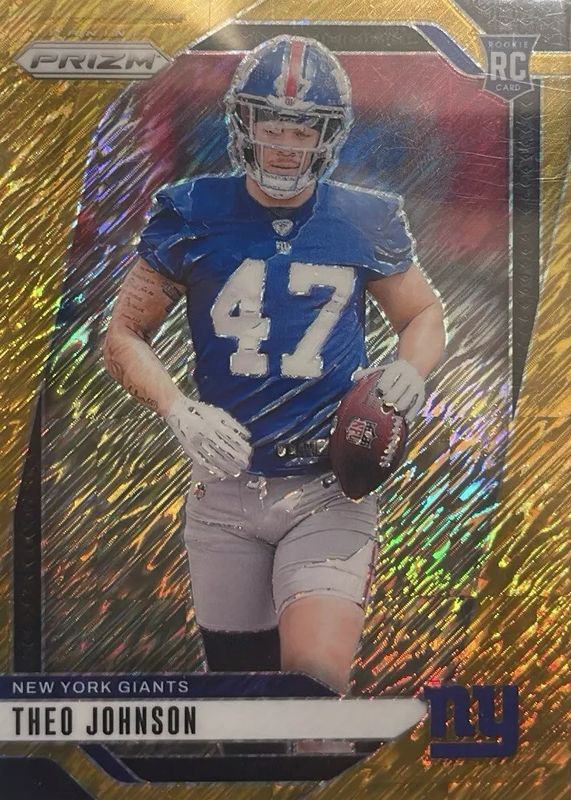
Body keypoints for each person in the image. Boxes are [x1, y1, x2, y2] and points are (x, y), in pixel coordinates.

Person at [103, 35, 445, 714]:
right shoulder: (192, 211)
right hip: (223, 495)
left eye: (303, 129)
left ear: (328, 135)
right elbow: (123, 334)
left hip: (327, 489)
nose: (286, 145)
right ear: (244, 125)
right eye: (273, 125)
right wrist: (177, 408)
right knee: (242, 719)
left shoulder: (363, 216)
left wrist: (412, 368)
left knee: (310, 698)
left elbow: (422, 312)